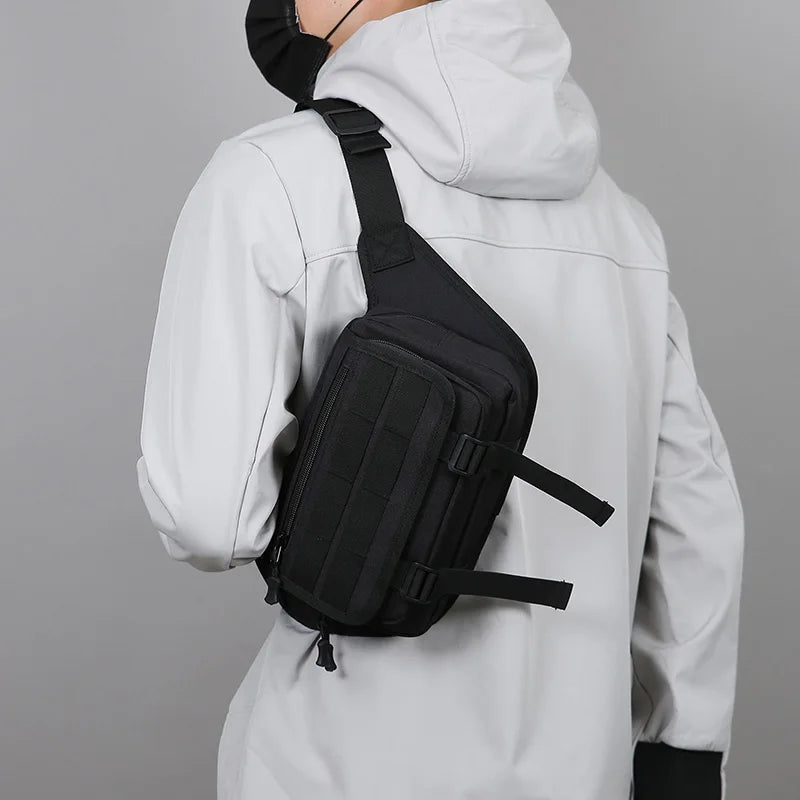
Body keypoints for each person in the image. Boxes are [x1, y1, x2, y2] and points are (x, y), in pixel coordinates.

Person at [135, 0, 746, 797]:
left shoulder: (273, 177)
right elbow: (694, 511)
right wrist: (685, 747)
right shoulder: (623, 223)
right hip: (581, 766)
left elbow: (208, 520)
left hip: (341, 759)